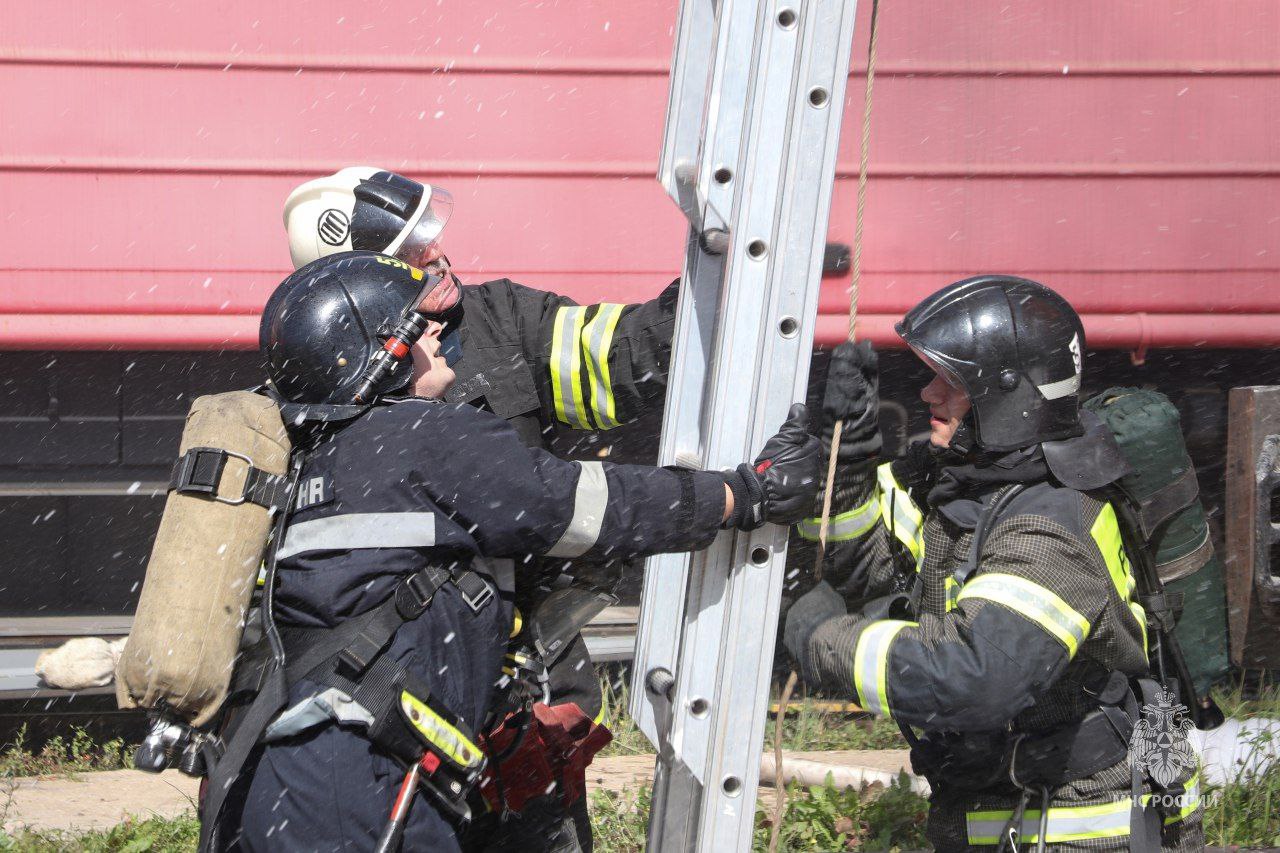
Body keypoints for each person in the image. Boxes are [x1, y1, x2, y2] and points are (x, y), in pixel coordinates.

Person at [213, 251, 820, 852]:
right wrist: (744, 493)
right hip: (368, 791)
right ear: (378, 356)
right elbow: (592, 505)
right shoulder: (423, 436)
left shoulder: (315, 458)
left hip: (293, 778)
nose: (435, 330)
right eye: (412, 325)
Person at [284, 167, 679, 848]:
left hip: (527, 690)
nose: (436, 258)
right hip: (396, 705)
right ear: (355, 290)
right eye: (410, 256)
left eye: (430, 239)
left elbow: (629, 354)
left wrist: (724, 278)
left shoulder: (499, 325)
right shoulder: (313, 384)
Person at [784, 276, 1202, 852]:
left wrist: (825, 643)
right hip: (998, 806)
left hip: (1076, 827)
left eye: (949, 382)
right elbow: (869, 575)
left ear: (1005, 398)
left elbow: (975, 679)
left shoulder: (1051, 524)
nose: (927, 394)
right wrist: (849, 466)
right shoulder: (964, 486)